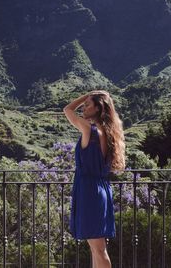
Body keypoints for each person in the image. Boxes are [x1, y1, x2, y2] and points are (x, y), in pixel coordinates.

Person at [63, 90, 125, 268]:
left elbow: (67, 110)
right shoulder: (107, 133)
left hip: (89, 192)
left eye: (88, 105)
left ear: (98, 108)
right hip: (101, 190)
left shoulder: (89, 130)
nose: (83, 108)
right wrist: (91, 98)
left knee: (98, 249)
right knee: (96, 248)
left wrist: (86, 95)